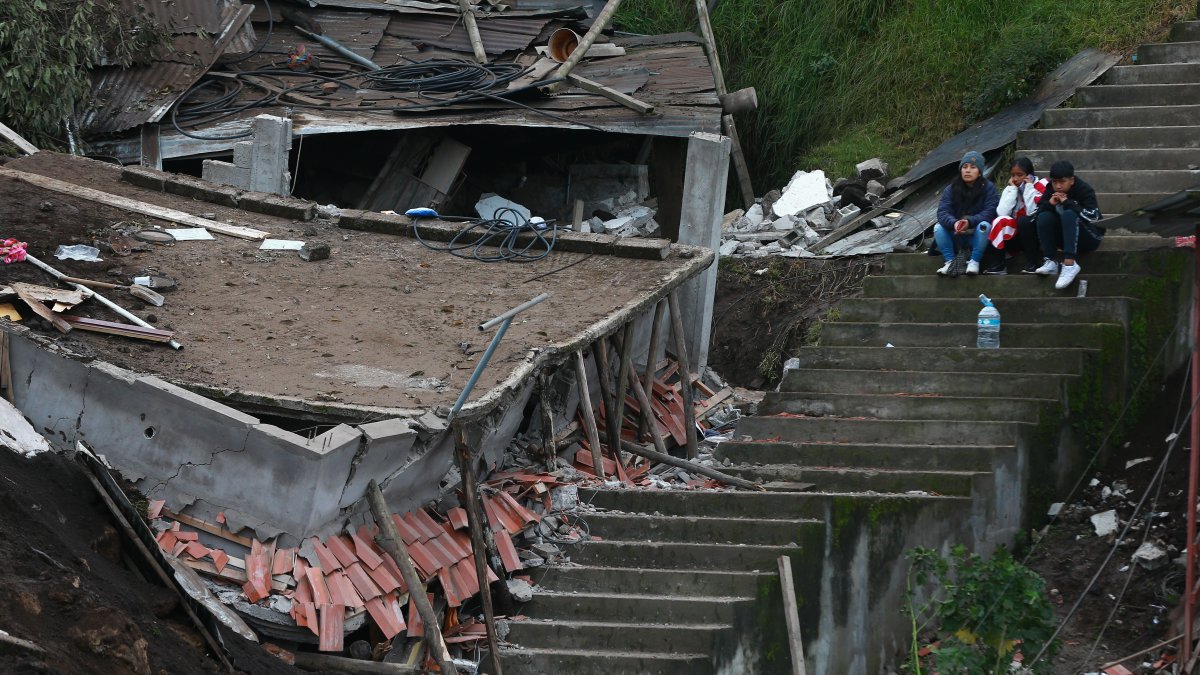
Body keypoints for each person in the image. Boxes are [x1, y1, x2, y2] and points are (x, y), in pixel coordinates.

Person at [1030, 160, 1103, 289]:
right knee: (1044, 216)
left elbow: (1094, 217)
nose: (1058, 186)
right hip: (1065, 239)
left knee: (1069, 214)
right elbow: (1035, 215)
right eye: (1054, 182)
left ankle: (1069, 264)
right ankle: (1050, 261)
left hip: (1090, 238)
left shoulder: (1084, 189)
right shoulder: (1050, 190)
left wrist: (1069, 203)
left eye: (1062, 182)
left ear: (1072, 180)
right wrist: (1050, 204)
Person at [934, 151, 999, 276]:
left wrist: (969, 222)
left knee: (985, 225)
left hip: (976, 236)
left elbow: (990, 212)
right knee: (938, 227)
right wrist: (955, 223)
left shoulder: (989, 188)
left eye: (972, 167)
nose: (967, 171)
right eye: (965, 167)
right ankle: (949, 261)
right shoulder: (951, 189)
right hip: (956, 235)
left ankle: (974, 261)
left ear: (979, 171)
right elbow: (942, 212)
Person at [984, 156, 1047, 275]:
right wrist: (1012, 190)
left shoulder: (1042, 185)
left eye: (1020, 174)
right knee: (999, 220)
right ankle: (999, 265)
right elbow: (1002, 213)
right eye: (1013, 175)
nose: (1016, 179)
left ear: (1029, 175)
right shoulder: (1011, 188)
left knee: (1024, 220)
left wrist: (1028, 187)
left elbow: (1032, 212)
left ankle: (1032, 263)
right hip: (1017, 237)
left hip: (1036, 235)